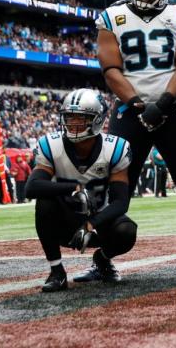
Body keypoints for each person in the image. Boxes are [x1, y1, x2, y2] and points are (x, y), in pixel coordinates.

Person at [96, 0, 176, 266]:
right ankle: (103, 258)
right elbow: (110, 69)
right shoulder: (112, 16)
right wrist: (138, 104)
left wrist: (161, 104)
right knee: (119, 186)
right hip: (129, 111)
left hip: (172, 109)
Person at [27, 89, 136, 292]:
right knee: (45, 202)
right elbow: (32, 187)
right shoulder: (51, 144)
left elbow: (121, 202)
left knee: (127, 231)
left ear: (97, 120)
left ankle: (102, 260)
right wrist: (74, 188)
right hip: (66, 220)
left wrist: (90, 224)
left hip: (100, 220)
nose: (73, 124)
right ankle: (56, 271)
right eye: (69, 117)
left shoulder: (115, 148)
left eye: (81, 118)